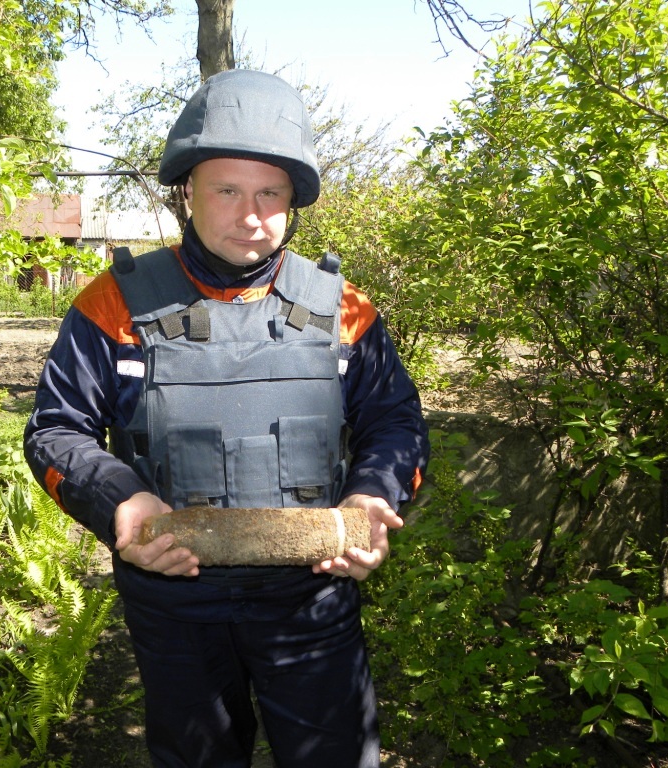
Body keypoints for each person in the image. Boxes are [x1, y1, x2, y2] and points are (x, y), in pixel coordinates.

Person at [25, 68, 429, 768]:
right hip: (174, 598)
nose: (251, 215)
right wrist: (121, 502)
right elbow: (55, 430)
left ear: (293, 199)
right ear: (188, 190)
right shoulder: (113, 304)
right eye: (228, 190)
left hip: (312, 597)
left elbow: (396, 426)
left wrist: (371, 497)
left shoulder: (344, 310)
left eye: (270, 193)